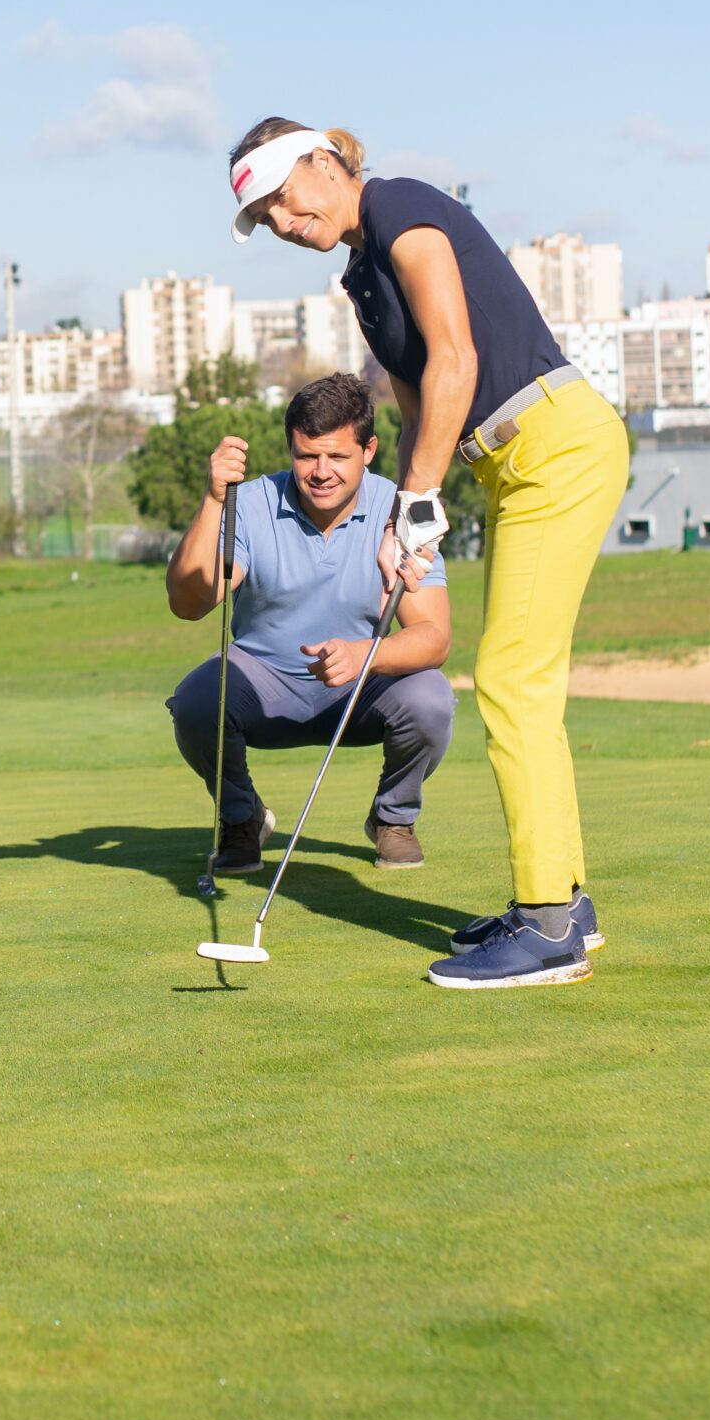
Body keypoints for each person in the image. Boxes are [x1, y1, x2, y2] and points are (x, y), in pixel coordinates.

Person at [226, 117, 629, 989]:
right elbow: (414, 406)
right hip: (507, 465)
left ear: (324, 166)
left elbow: (456, 358)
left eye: (284, 201)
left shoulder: (401, 204)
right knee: (524, 682)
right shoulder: (362, 276)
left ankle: (547, 925)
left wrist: (414, 499)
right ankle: (561, 901)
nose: (285, 225)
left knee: (514, 683)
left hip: (555, 444)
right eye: (266, 221)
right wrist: (401, 525)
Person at [165, 371, 455, 877]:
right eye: (307, 456)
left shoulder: (400, 510)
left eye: (338, 457)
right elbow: (190, 603)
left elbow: (434, 638)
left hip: (363, 688)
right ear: (291, 451)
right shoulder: (252, 502)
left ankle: (394, 819)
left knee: (431, 698)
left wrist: (365, 653)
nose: (321, 472)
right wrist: (214, 500)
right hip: (264, 685)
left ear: (368, 450)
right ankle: (241, 818)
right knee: (194, 701)